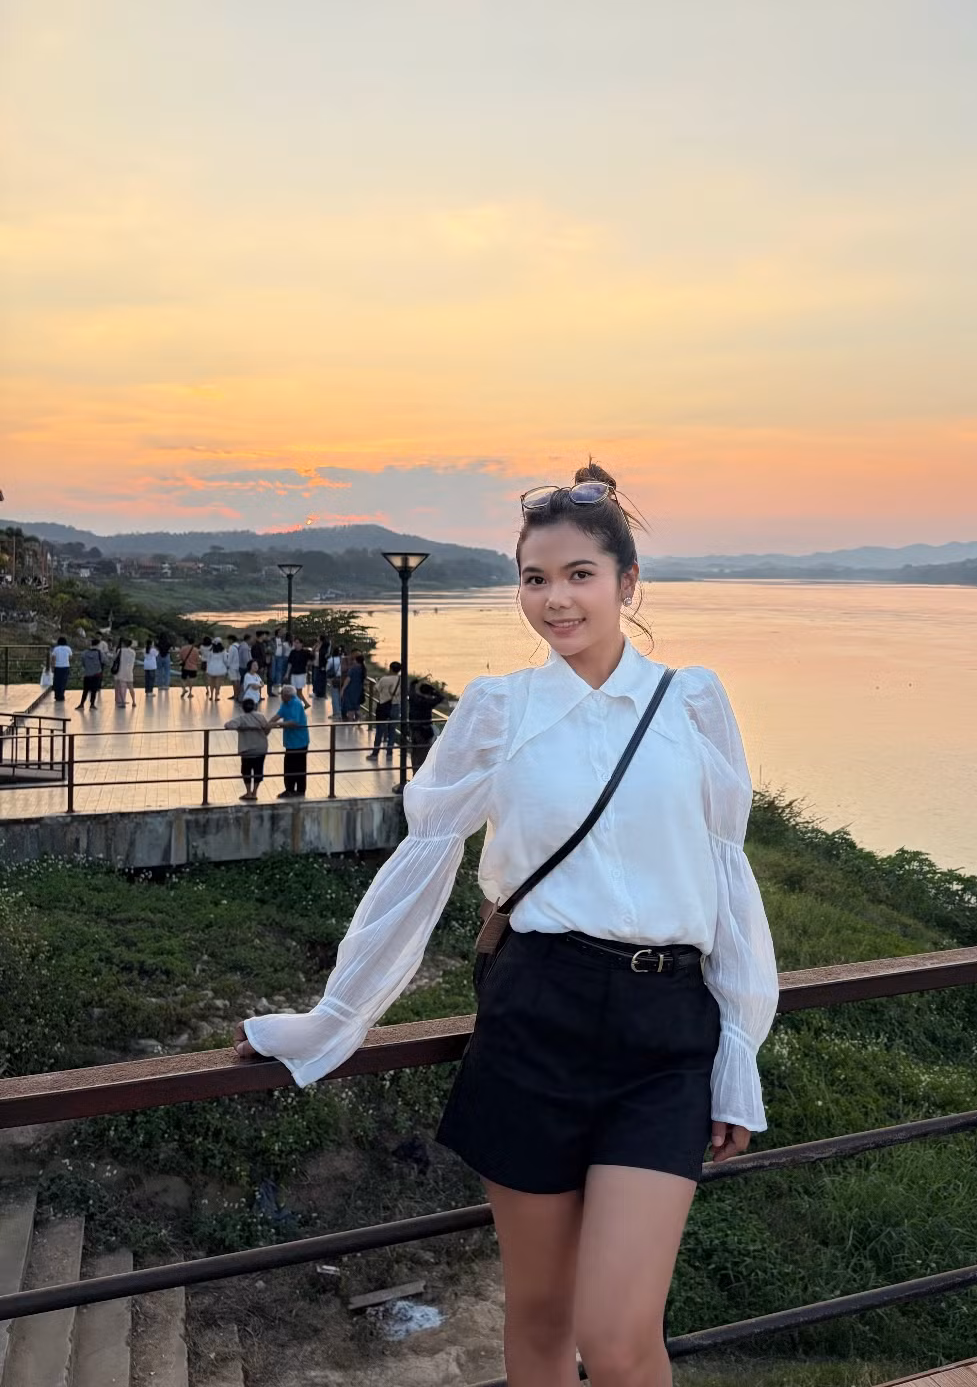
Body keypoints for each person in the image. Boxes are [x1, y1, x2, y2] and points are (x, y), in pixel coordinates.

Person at [234, 462, 778, 1387]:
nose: (555, 600)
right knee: (539, 1315)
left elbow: (728, 876)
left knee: (618, 1339)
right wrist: (337, 1016)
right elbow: (424, 862)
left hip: (663, 1035)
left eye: (579, 575)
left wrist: (738, 1051)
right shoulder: (499, 710)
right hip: (535, 1016)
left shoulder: (692, 702)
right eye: (535, 579)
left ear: (627, 582)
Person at [224, 696, 272, 801]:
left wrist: (243, 728)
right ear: (254, 706)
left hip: (247, 750)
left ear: (243, 708)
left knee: (246, 771)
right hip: (260, 749)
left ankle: (248, 792)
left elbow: (228, 725)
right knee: (258, 770)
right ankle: (255, 792)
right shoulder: (260, 716)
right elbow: (267, 728)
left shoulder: (241, 718)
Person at [269, 684, 310, 797]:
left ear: (287, 695)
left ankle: (300, 790)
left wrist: (277, 724)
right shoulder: (285, 703)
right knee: (289, 766)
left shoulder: (296, 703)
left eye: (282, 695)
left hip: (299, 741)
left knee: (299, 766)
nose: (281, 697)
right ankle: (289, 789)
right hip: (290, 742)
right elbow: (278, 715)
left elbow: (294, 722)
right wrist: (268, 723)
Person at [368, 661, 403, 760]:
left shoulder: (384, 679)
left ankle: (375, 754)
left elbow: (376, 689)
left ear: (390, 668)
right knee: (392, 731)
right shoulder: (401, 680)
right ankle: (389, 754)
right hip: (395, 707)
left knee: (380, 730)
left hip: (383, 706)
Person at [406, 679, 440, 776]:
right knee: (424, 753)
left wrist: (413, 684)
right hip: (425, 731)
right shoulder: (428, 702)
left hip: (414, 730)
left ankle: (415, 773)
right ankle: (421, 775)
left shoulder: (414, 699)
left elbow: (411, 691)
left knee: (415, 752)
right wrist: (434, 690)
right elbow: (440, 698)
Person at [76, 641, 103, 711]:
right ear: (98, 645)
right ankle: (92, 704)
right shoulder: (99, 653)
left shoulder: (84, 653)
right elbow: (105, 661)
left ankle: (82, 704)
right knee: (94, 690)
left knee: (85, 690)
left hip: (87, 674)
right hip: (96, 674)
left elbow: (83, 663)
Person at [340, 652, 366, 720]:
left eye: (354, 660)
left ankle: (351, 721)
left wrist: (343, 689)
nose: (353, 661)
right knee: (355, 706)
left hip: (350, 690)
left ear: (357, 661)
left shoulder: (353, 669)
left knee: (350, 708)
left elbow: (348, 680)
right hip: (358, 690)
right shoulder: (363, 669)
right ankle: (360, 717)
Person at [287, 638, 312, 706]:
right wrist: (287, 673)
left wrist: (307, 665)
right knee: (294, 690)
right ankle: (302, 704)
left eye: (297, 643)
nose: (296, 644)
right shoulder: (292, 652)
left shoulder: (305, 652)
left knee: (299, 691)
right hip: (294, 673)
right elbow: (290, 663)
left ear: (301, 644)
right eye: (295, 642)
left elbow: (312, 659)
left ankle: (304, 704)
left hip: (301, 674)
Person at [112, 639, 137, 708]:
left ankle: (123, 702)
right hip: (129, 671)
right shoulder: (133, 652)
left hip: (121, 671)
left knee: (121, 687)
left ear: (124, 644)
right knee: (131, 687)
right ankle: (134, 701)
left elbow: (115, 658)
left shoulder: (120, 651)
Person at [49, 636, 72, 702]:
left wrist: (52, 667)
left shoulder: (56, 649)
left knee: (57, 681)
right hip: (65, 667)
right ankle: (61, 695)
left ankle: (57, 695)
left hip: (57, 667)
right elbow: (70, 657)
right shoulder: (68, 648)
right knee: (63, 682)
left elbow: (53, 658)